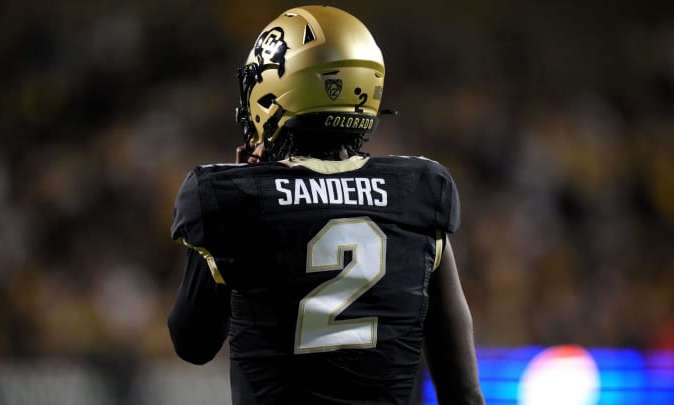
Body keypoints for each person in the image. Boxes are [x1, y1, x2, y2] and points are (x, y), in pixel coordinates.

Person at [167, 5, 485, 405]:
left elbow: (192, 344)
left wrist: (228, 214)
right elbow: (464, 393)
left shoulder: (231, 199)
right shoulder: (418, 191)